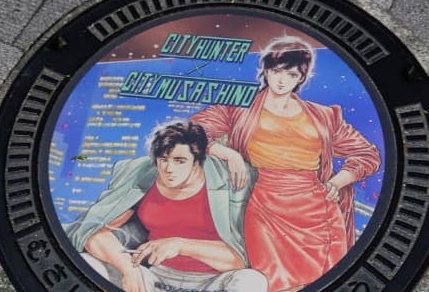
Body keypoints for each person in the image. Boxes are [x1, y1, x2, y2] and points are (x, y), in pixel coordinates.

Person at [190, 35, 381, 292]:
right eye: (276, 71)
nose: (281, 80)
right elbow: (193, 132)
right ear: (266, 71)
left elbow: (367, 154)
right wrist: (229, 154)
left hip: (317, 209)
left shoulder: (324, 116)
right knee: (270, 281)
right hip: (265, 204)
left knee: (322, 281)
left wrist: (338, 181)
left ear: (301, 77)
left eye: (291, 74)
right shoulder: (239, 107)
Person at [63, 120, 268, 292]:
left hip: (214, 283)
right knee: (88, 263)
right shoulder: (141, 174)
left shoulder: (231, 182)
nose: (169, 169)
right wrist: (128, 270)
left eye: (179, 160)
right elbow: (94, 231)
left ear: (198, 161)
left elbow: (238, 259)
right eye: (163, 159)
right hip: (155, 279)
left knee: (252, 281)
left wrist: (181, 245)